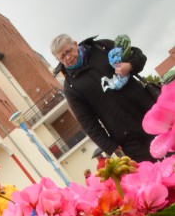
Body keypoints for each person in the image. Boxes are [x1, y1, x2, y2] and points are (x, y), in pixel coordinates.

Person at [50, 34, 158, 163]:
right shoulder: (71, 87)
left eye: (68, 51)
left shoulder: (101, 47)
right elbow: (87, 121)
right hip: (129, 138)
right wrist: (110, 146)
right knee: (153, 175)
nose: (68, 57)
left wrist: (129, 66)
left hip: (151, 113)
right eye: (62, 56)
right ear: (58, 59)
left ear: (75, 44)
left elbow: (138, 55)